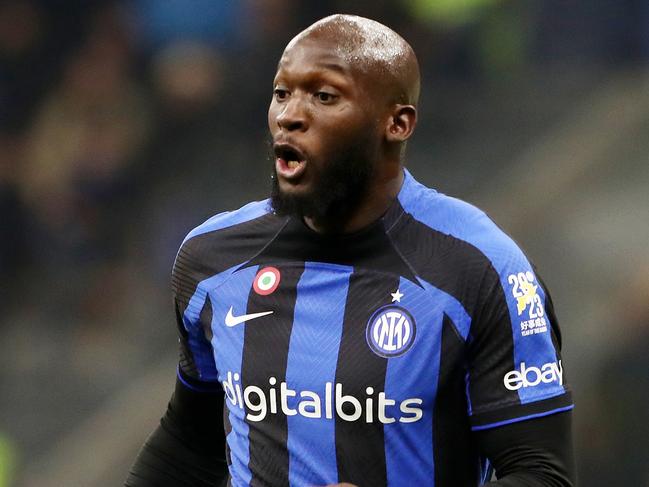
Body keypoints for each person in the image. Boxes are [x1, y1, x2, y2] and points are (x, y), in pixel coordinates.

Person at [126, 14, 575, 487]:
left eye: (324, 96)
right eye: (282, 93)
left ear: (397, 123)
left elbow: (541, 473)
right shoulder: (211, 259)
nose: (290, 115)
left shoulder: (478, 268)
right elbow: (189, 445)